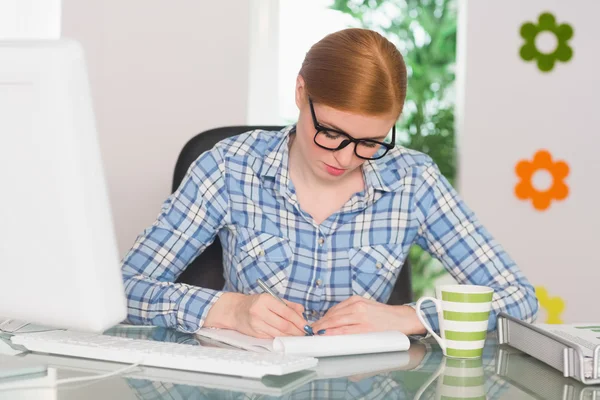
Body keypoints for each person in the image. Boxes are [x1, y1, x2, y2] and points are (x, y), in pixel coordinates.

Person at [120, 28, 538, 339]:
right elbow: (124, 290)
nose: (346, 157)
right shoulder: (229, 167)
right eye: (332, 133)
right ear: (301, 93)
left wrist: (410, 318)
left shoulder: (413, 180)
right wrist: (226, 309)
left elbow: (518, 299)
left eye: (371, 142)